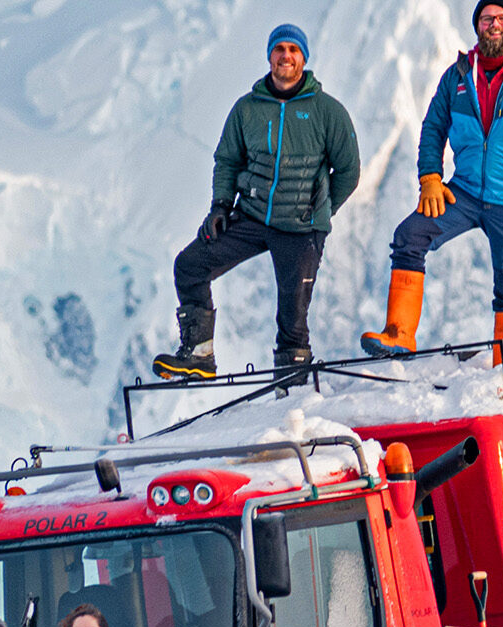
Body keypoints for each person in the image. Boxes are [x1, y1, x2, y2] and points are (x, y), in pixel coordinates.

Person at [361, 0, 503, 364]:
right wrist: (430, 178)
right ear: (477, 27)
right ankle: (399, 335)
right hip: (465, 193)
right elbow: (433, 127)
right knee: (410, 236)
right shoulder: (457, 76)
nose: (495, 24)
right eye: (487, 19)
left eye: (502, 18)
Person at [154, 24, 361, 379]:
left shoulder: (328, 111)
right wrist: (221, 206)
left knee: (292, 320)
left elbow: (348, 171)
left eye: (293, 50)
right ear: (269, 56)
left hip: (300, 227)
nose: (286, 56)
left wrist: (319, 212)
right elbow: (227, 160)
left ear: (304, 58)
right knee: (190, 266)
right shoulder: (247, 109)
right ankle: (199, 354)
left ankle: (291, 386)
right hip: (251, 216)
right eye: (279, 49)